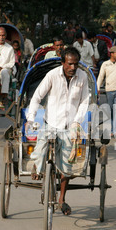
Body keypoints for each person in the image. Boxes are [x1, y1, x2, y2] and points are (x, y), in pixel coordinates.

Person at [26, 47, 89, 216]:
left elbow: (84, 102)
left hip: (70, 125)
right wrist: (31, 118)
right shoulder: (52, 75)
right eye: (69, 64)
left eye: (75, 64)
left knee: (67, 166)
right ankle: (38, 168)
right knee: (40, 149)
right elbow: (37, 96)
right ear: (63, 63)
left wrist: (77, 122)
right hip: (51, 123)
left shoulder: (82, 77)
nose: (72, 67)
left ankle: (62, 199)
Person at [0, 26, 16, 107]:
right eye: (0, 35)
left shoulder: (9, 48)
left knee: (4, 72)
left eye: (3, 35)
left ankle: (4, 95)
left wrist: (2, 67)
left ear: (6, 36)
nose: (1, 37)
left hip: (5, 69)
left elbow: (12, 63)